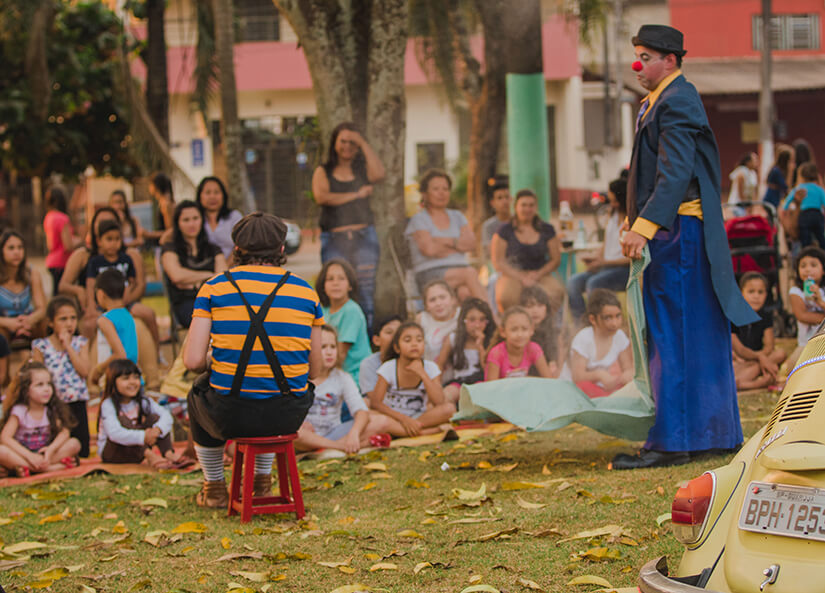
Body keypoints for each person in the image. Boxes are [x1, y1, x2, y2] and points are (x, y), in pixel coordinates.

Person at [613, 25, 759, 469]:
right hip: (678, 231)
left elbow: (674, 176)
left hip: (679, 234)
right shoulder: (664, 99)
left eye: (645, 56)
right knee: (695, 333)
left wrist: (645, 227)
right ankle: (712, 435)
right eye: (636, 55)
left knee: (673, 334)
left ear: (670, 60)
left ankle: (673, 442)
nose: (637, 65)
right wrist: (632, 220)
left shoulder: (676, 100)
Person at [184, 212, 323, 508]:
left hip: (230, 413)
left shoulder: (214, 288)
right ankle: (261, 480)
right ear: (282, 250)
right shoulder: (306, 292)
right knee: (276, 386)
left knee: (197, 390)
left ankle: (214, 487)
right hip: (288, 414)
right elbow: (316, 368)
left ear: (236, 251)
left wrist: (218, 358)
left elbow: (193, 360)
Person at [312, 123, 385, 328]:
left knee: (366, 294)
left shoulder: (362, 169)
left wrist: (362, 141)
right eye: (343, 141)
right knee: (335, 294)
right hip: (335, 240)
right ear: (334, 143)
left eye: (352, 142)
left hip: (364, 237)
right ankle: (334, 342)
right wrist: (356, 195)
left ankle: (366, 345)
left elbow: (379, 174)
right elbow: (322, 197)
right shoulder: (323, 170)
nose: (347, 146)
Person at [296, 325, 390, 453]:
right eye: (323, 347)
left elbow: (361, 411)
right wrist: (299, 422)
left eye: (333, 347)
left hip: (335, 433)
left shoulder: (342, 377)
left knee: (379, 421)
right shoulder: (299, 377)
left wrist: (354, 433)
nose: (329, 352)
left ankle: (326, 447)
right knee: (293, 431)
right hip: (306, 435)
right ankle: (340, 447)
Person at [405, 169, 487, 302]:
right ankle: (492, 317)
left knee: (465, 293)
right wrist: (457, 244)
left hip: (459, 273)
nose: (442, 193)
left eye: (445, 189)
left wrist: (443, 241)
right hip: (429, 273)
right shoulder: (419, 219)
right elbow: (429, 250)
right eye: (436, 189)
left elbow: (471, 244)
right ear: (425, 194)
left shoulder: (457, 216)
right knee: (470, 273)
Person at [369, 321, 456, 437]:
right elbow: (376, 403)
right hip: (393, 417)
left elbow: (439, 401)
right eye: (407, 340)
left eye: (419, 340)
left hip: (420, 417)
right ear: (397, 347)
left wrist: (422, 373)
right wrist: (404, 420)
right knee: (371, 416)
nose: (414, 344)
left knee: (449, 409)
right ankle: (424, 432)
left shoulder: (431, 367)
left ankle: (401, 432)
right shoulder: (388, 367)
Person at [98, 359, 189, 468]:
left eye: (136, 377)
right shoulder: (108, 404)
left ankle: (169, 453)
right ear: (113, 382)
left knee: (155, 417)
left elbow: (166, 416)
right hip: (114, 454)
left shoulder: (143, 401)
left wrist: (157, 430)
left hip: (136, 453)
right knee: (124, 420)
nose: (132, 382)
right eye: (126, 378)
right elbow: (114, 433)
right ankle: (150, 456)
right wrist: (143, 436)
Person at [84, 220, 159, 349]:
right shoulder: (95, 262)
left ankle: (156, 352)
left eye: (117, 239)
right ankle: (91, 357)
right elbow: (90, 285)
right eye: (109, 239)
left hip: (125, 303)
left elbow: (132, 283)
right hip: (102, 304)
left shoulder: (126, 259)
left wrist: (125, 300)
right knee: (89, 325)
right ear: (99, 241)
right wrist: (91, 306)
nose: (114, 243)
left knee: (149, 314)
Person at [31, 296, 91, 458]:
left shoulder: (81, 343)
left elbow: (84, 371)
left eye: (73, 318)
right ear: (51, 322)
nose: (69, 323)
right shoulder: (41, 346)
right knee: (58, 443)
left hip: (76, 402)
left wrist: (68, 346)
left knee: (82, 450)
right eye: (63, 319)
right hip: (53, 404)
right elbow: (37, 375)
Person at [490, 189, 565, 314]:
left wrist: (538, 274)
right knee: (506, 297)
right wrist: (521, 277)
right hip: (512, 274)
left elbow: (555, 259)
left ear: (536, 207)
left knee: (555, 292)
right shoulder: (504, 230)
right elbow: (498, 261)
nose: (527, 209)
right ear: (516, 207)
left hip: (540, 273)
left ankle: (547, 328)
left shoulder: (547, 229)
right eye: (523, 205)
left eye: (531, 205)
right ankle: (514, 327)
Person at [0, 361, 81, 477]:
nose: (47, 389)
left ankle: (33, 469)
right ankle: (50, 468)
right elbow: (5, 437)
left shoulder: (50, 409)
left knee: (74, 444)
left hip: (45, 455)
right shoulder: (20, 411)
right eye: (40, 385)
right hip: (23, 455)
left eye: (48, 384)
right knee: (1, 451)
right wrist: (29, 456)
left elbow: (64, 432)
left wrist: (51, 450)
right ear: (26, 390)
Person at [567, 177, 631, 321]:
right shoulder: (611, 215)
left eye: (614, 200)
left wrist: (603, 263)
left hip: (624, 270)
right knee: (573, 283)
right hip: (606, 267)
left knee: (594, 284)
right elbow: (606, 243)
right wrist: (596, 258)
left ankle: (600, 324)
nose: (611, 204)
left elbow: (630, 258)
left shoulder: (632, 219)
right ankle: (582, 325)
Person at [161, 200, 227, 328]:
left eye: (195, 218)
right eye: (186, 220)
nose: (192, 224)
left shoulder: (213, 249)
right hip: (186, 303)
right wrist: (209, 275)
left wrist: (192, 282)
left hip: (214, 301)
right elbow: (177, 276)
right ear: (178, 223)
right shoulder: (170, 248)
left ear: (202, 220)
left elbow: (222, 278)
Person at [560, 289, 633, 398]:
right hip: (574, 389)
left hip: (600, 388)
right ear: (593, 319)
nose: (615, 323)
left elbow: (628, 368)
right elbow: (577, 377)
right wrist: (599, 375)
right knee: (583, 386)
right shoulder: (584, 338)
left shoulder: (619, 336)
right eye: (608, 318)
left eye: (618, 316)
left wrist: (626, 375)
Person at [316, 259, 371, 389]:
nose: (336, 283)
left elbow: (340, 354)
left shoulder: (351, 311)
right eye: (330, 279)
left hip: (355, 378)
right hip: (332, 372)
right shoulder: (323, 311)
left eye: (341, 278)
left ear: (350, 285)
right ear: (323, 286)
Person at [732, 272, 786, 390]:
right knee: (735, 364)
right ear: (741, 293)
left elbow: (769, 346)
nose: (756, 296)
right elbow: (738, 349)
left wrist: (762, 357)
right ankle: (756, 384)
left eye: (760, 292)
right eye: (751, 292)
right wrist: (760, 358)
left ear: (766, 294)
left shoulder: (765, 316)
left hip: (757, 359)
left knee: (780, 353)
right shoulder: (734, 316)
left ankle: (742, 382)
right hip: (739, 359)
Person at [436, 298, 496, 405]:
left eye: (482, 320)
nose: (477, 325)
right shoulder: (453, 339)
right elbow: (439, 364)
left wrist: (480, 347)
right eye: (472, 320)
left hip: (480, 381)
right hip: (460, 381)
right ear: (464, 321)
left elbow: (487, 370)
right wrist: (437, 387)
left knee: (478, 394)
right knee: (447, 395)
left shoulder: (490, 341)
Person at [89, 269, 139, 385]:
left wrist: (98, 370)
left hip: (116, 380)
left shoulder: (104, 320)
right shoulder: (128, 315)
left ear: (100, 294)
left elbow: (120, 354)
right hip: (133, 377)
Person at [0, 230, 46, 348]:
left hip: (27, 321)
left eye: (20, 247)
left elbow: (42, 308)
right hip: (4, 323)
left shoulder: (31, 273)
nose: (17, 252)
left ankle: (42, 362)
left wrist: (29, 320)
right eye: (11, 248)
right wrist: (10, 323)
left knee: (45, 323)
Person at [485, 306, 557, 380]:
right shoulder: (496, 353)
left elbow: (549, 380)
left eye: (524, 329)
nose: (520, 334)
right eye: (514, 329)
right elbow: (491, 387)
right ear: (503, 332)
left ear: (531, 330)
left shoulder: (533, 349)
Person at [786, 246, 825, 370]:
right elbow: (802, 316)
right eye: (803, 266)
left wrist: (820, 301)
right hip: (806, 344)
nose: (808, 270)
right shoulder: (796, 291)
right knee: (793, 367)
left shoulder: (822, 291)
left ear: (823, 269)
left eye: (813, 265)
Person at [43, 186, 80, 293]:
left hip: (52, 261)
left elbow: (50, 244)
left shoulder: (49, 217)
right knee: (63, 295)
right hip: (62, 262)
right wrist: (80, 241)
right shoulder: (62, 218)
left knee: (56, 293)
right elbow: (68, 245)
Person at [196, 176, 243, 260]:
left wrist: (224, 267)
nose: (212, 197)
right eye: (207, 192)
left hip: (231, 269)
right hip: (202, 270)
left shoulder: (234, 217)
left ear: (223, 195)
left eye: (216, 192)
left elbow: (241, 245)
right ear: (200, 196)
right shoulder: (194, 218)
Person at [520, 285, 564, 372]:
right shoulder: (520, 334)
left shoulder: (554, 331)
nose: (535, 311)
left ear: (546, 308)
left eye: (540, 306)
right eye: (530, 306)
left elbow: (556, 364)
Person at [359, 315, 403, 399]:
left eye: (399, 333)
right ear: (376, 340)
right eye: (389, 332)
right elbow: (374, 399)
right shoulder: (369, 364)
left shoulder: (411, 361)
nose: (395, 337)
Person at [782, 163, 825, 248]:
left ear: (801, 176)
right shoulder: (819, 189)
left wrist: (785, 211)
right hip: (817, 215)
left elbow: (786, 202)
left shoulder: (799, 188)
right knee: (821, 237)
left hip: (804, 215)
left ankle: (805, 253)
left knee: (805, 240)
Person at [417, 280, 459, 362]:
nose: (438, 303)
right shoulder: (422, 319)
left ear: (453, 299)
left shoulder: (462, 316)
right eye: (432, 300)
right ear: (426, 306)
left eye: (442, 297)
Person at [481, 176, 512, 260]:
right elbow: (492, 253)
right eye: (499, 198)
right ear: (492, 203)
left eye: (507, 197)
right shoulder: (488, 226)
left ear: (512, 199)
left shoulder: (519, 221)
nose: (504, 201)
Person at [144, 173, 175, 242]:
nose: (149, 187)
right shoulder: (162, 202)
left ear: (155, 186)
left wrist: (149, 234)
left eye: (150, 184)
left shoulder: (166, 204)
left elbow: (169, 230)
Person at [763, 144, 794, 209]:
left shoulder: (777, 169)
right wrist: (790, 172)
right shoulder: (776, 171)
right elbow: (785, 186)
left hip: (774, 198)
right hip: (772, 199)